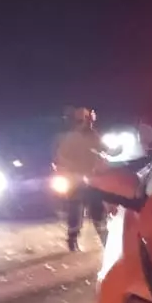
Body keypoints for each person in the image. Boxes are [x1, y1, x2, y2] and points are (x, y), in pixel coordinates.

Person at [54, 106, 109, 252]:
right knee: (76, 209)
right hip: (77, 179)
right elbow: (62, 157)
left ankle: (105, 240)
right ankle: (73, 239)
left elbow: (104, 149)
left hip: (91, 179)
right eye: (86, 120)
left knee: (96, 209)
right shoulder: (72, 137)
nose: (89, 123)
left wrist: (112, 151)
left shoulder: (93, 135)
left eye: (90, 121)